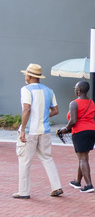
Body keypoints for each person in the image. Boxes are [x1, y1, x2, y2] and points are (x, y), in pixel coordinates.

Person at [14, 63, 63, 199]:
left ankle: (23, 192)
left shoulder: (26, 89)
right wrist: (43, 116)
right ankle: (56, 186)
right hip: (45, 130)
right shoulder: (49, 90)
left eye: (26, 75)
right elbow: (55, 110)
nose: (25, 76)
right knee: (47, 158)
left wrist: (22, 129)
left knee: (25, 160)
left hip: (30, 131)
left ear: (29, 76)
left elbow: (26, 109)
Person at [58, 80, 95, 193]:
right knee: (83, 157)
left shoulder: (74, 103)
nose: (74, 90)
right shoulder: (92, 102)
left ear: (79, 90)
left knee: (83, 158)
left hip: (81, 132)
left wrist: (64, 129)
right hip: (93, 131)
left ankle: (89, 185)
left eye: (75, 88)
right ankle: (77, 181)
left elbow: (73, 121)